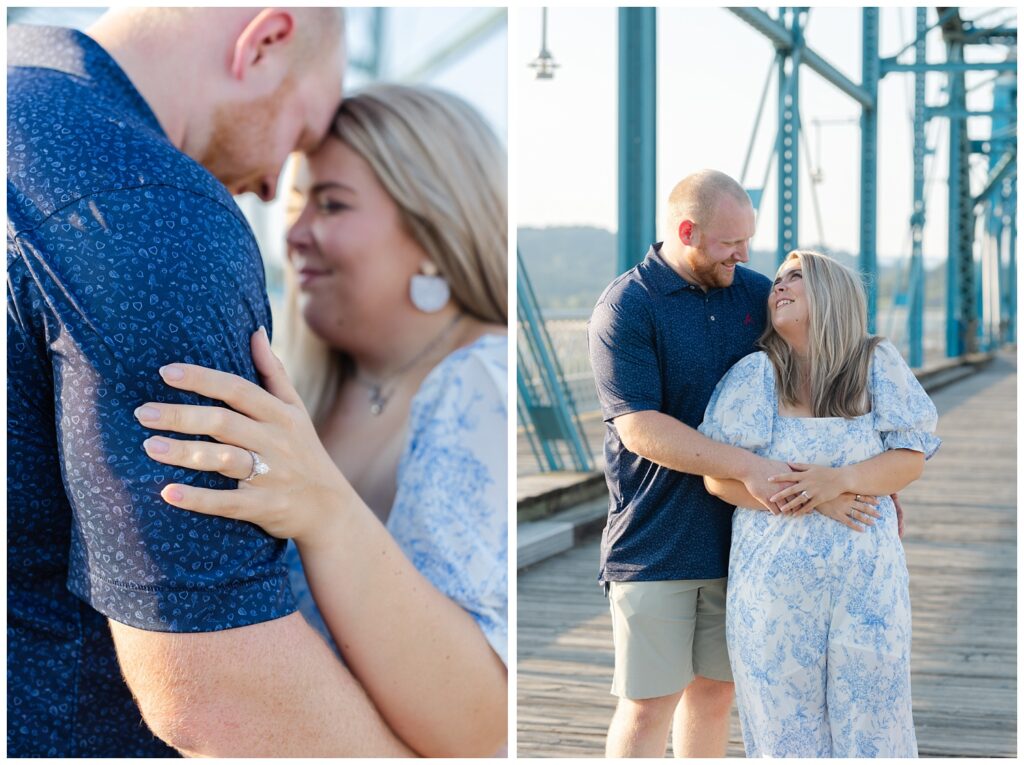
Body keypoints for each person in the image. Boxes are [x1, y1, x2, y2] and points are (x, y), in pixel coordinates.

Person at [7, 8, 417, 757]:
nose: (269, 186)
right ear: (263, 40)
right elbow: (217, 692)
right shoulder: (150, 213)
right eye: (296, 136)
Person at [131, 84, 509, 757]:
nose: (294, 233)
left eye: (331, 204)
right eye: (295, 205)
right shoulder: (308, 386)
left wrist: (325, 510)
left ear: (434, 228)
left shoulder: (482, 386)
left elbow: (485, 732)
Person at [587, 170, 913, 758]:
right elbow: (637, 427)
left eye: (748, 240)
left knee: (714, 697)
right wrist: (765, 472)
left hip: (747, 542)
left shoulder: (755, 293)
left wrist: (869, 475)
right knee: (647, 703)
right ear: (688, 231)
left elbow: (821, 358)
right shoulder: (628, 306)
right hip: (658, 535)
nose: (745, 255)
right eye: (730, 243)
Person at [699, 250, 940, 757]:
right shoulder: (755, 375)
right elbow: (718, 480)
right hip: (773, 587)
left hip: (868, 588)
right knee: (782, 729)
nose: (778, 286)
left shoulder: (877, 363)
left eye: (796, 278)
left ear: (832, 293)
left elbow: (910, 458)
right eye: (778, 279)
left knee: (875, 722)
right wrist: (816, 500)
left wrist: (842, 480)